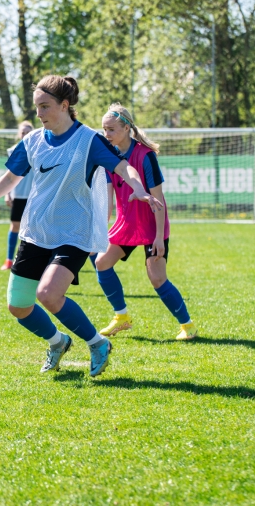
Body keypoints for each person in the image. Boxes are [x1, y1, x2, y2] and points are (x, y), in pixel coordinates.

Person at [0, 75, 162, 377]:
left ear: (65, 106)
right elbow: (11, 179)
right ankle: (57, 341)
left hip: (74, 233)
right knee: (18, 307)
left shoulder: (88, 139)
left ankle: (97, 343)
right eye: (36, 107)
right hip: (36, 232)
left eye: (45, 106)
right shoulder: (33, 141)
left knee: (49, 294)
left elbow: (123, 166)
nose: (39, 114)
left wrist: (139, 189)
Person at [94, 104, 196, 340]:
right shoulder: (109, 157)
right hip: (126, 224)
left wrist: (159, 236)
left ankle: (188, 326)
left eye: (110, 130)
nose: (106, 135)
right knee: (102, 263)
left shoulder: (146, 156)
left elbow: (158, 200)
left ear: (126, 127)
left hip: (151, 225)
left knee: (157, 278)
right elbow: (108, 199)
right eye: (103, 130)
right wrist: (101, 228)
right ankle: (122, 317)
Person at [1, 121, 34, 271]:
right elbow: (8, 175)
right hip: (18, 195)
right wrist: (7, 194)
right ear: (18, 134)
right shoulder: (12, 151)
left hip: (35, 196)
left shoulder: (40, 149)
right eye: (23, 132)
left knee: (36, 229)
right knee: (15, 226)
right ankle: (8, 259)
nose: (25, 134)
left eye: (28, 132)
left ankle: (37, 261)